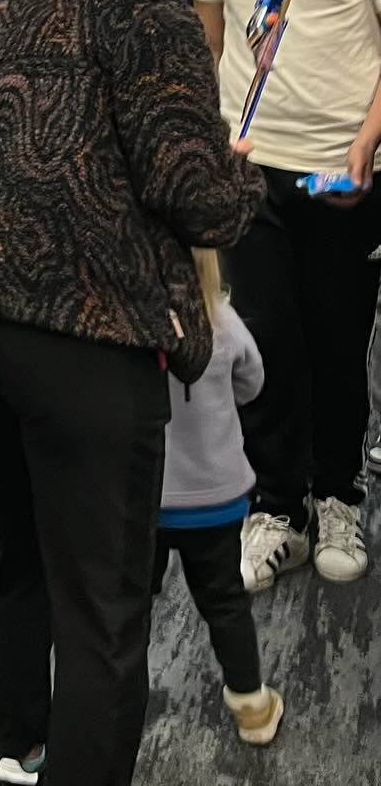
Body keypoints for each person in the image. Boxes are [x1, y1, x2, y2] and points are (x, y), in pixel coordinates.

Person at [0, 0, 262, 786]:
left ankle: (17, 750)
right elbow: (190, 188)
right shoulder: (145, 7)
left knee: (13, 554)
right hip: (83, 326)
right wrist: (244, 175)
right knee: (104, 597)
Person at [186, 0, 381, 590]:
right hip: (250, 169)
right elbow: (209, 41)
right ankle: (279, 505)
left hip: (344, 168)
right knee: (264, 340)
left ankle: (338, 490)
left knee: (339, 334)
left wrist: (369, 138)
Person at [153, 249, 283, 747]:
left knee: (129, 604)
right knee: (225, 602)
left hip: (146, 498)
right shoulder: (223, 322)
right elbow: (253, 384)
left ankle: (120, 700)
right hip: (217, 498)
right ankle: (251, 704)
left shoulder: (124, 324)